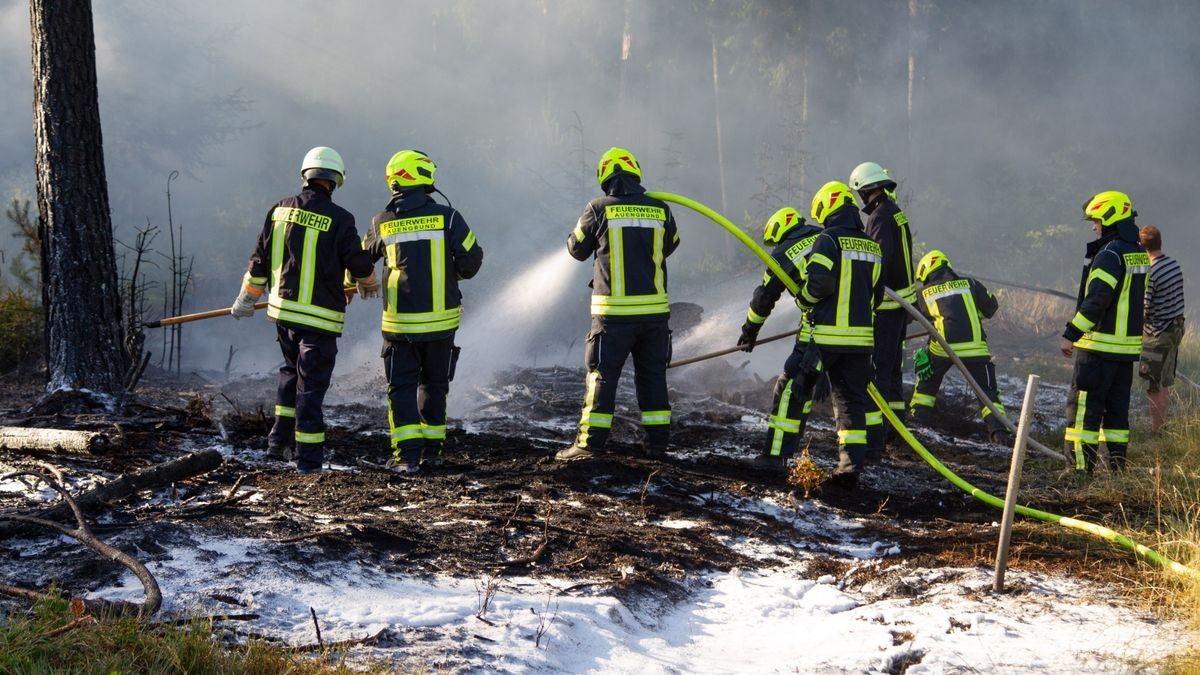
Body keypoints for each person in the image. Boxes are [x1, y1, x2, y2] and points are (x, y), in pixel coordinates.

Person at [230, 146, 378, 473]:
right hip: (319, 320)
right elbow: (358, 263)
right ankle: (309, 461)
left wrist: (246, 297)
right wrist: (368, 281)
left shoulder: (279, 210)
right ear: (335, 180)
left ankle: (277, 443)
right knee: (310, 387)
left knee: (289, 374)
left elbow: (259, 261)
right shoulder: (340, 219)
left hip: (283, 316)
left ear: (306, 175)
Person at [361, 149, 483, 474]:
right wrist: (450, 273)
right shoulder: (450, 217)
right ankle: (432, 453)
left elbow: (359, 263)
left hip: (399, 326)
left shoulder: (382, 222)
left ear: (394, 180)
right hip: (442, 324)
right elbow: (472, 260)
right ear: (426, 177)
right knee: (435, 385)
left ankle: (406, 458)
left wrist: (362, 281)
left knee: (400, 388)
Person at [557, 147, 680, 461]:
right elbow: (671, 244)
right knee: (652, 377)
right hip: (654, 317)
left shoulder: (598, 208)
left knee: (602, 377)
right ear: (635, 174)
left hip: (613, 318)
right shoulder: (660, 209)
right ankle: (657, 446)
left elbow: (576, 249)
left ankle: (588, 445)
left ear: (604, 177)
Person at [795, 180, 884, 487]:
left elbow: (819, 285)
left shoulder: (828, 240)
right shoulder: (872, 246)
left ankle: (784, 454)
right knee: (850, 405)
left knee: (799, 390)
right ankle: (850, 467)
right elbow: (878, 295)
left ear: (826, 207)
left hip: (826, 341)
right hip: (860, 343)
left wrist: (801, 299)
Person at [1060, 190, 1149, 473]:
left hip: (1097, 350)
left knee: (1084, 411)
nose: (1094, 226)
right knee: (1117, 414)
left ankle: (1079, 471)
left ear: (1109, 218)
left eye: (1096, 220)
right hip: (1125, 353)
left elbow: (1097, 300)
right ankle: (1117, 469)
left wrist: (1071, 333)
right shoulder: (1137, 253)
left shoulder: (1109, 254)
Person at [737, 207, 823, 465]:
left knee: (788, 387)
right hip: (853, 325)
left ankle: (775, 456)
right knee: (810, 389)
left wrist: (749, 330)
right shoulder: (825, 235)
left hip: (818, 326)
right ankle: (791, 447)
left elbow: (764, 297)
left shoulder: (784, 252)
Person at [908, 250, 1010, 444]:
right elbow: (991, 307)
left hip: (943, 349)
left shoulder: (923, 293)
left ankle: (917, 423)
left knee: (926, 384)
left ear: (926, 272)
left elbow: (914, 317)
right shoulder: (971, 284)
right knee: (988, 393)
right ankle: (999, 434)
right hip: (976, 350)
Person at [848, 162, 915, 462]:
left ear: (866, 190)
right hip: (901, 304)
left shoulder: (879, 217)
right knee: (893, 369)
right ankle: (896, 431)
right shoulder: (894, 211)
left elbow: (878, 258)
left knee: (880, 372)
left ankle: (879, 436)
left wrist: (863, 294)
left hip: (887, 307)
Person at [1138, 224, 1186, 435]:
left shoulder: (1151, 272)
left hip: (1157, 334)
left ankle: (1156, 431)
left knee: (1153, 384)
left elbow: (1144, 311)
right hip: (1175, 329)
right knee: (1164, 381)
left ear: (1142, 246)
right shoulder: (1173, 264)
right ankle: (1162, 426)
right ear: (1160, 242)